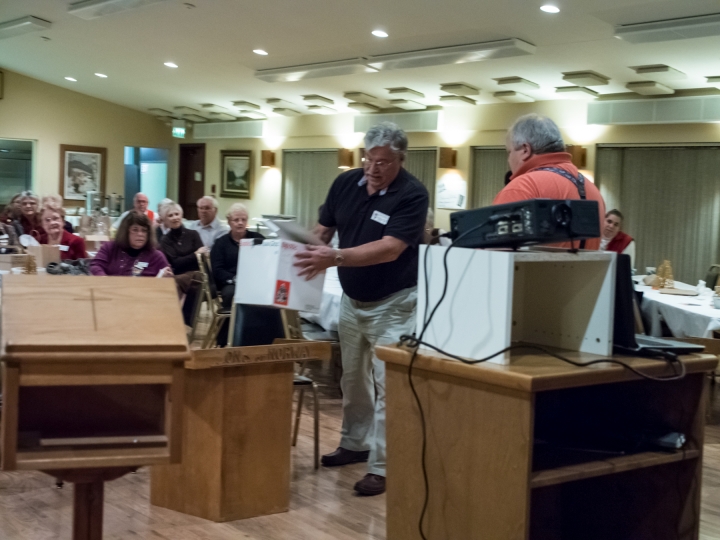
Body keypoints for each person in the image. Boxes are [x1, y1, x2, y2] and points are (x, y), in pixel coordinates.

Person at [293, 122, 428, 496]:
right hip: (353, 301)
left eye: (383, 161)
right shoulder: (345, 184)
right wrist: (296, 250)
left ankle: (383, 466)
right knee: (352, 379)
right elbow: (321, 231)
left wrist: (334, 257)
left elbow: (391, 248)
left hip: (397, 303)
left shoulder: (412, 194)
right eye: (369, 158)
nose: (373, 168)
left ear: (400, 159)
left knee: (389, 385)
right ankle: (355, 444)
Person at [493, 114, 606, 249]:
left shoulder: (522, 187)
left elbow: (494, 259)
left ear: (525, 150)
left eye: (509, 152)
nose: (508, 160)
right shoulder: (593, 191)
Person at [210, 203, 264, 346]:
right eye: (236, 220)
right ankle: (228, 339)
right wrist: (234, 279)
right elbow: (217, 270)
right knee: (231, 295)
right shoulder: (221, 244)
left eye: (243, 219)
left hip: (255, 281)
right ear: (229, 222)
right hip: (231, 282)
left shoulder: (258, 239)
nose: (240, 223)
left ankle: (261, 338)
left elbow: (268, 260)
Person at [159, 203, 207, 324]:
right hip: (181, 276)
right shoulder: (165, 240)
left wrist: (192, 257)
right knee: (179, 284)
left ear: (181, 215)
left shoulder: (193, 234)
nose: (175, 217)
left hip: (197, 274)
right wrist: (195, 254)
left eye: (177, 214)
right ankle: (179, 323)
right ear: (165, 220)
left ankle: (174, 322)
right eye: (170, 215)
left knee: (188, 280)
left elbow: (202, 258)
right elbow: (176, 263)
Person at [90, 212, 172, 277]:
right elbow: (96, 266)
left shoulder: (157, 256)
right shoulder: (110, 247)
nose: (140, 234)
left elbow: (168, 284)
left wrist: (164, 277)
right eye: (135, 230)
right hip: (110, 294)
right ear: (125, 231)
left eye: (144, 230)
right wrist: (105, 280)